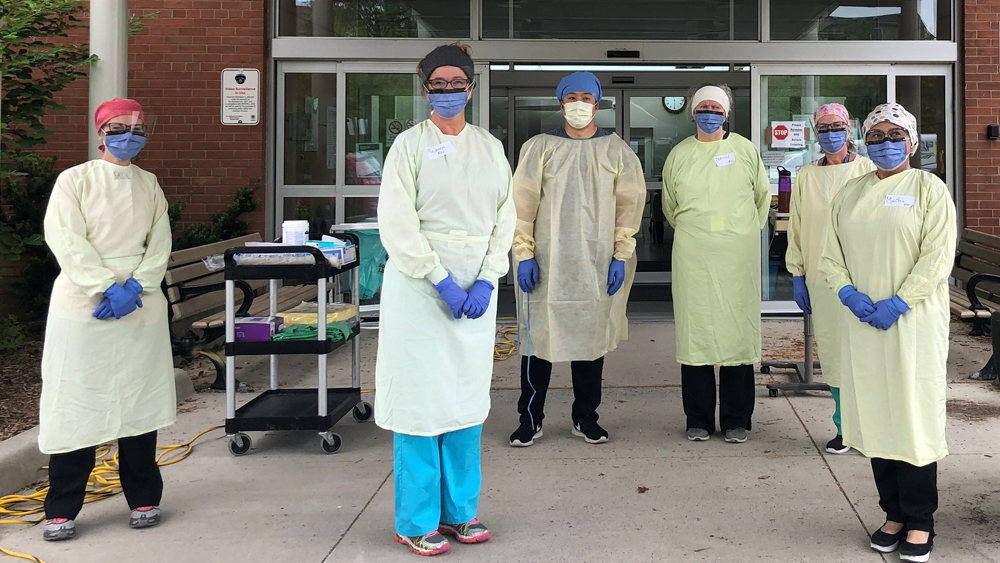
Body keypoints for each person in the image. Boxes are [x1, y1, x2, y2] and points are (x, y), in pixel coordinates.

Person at [374, 42, 515, 557]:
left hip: (475, 293)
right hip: (420, 292)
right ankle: (414, 519)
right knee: (419, 404)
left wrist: (485, 278)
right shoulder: (408, 147)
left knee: (463, 401)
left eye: (459, 83)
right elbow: (397, 222)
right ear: (425, 87)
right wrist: (440, 278)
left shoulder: (490, 147)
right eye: (440, 84)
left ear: (472, 88)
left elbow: (506, 217)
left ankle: (461, 513)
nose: (450, 92)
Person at [821, 103, 955, 562]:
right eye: (875, 136)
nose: (885, 143)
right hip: (864, 324)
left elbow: (938, 256)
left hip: (913, 324)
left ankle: (920, 520)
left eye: (894, 134)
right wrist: (846, 293)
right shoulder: (851, 192)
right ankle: (892, 513)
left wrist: (901, 301)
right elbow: (829, 253)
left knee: (911, 417)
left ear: (912, 141)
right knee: (878, 416)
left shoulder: (929, 189)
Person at [39, 98, 174, 541]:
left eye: (136, 127)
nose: (129, 135)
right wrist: (103, 285)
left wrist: (136, 285)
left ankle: (143, 497)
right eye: (119, 127)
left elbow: (160, 242)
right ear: (101, 132)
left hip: (139, 303)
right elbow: (66, 238)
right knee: (78, 401)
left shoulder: (149, 183)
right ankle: (62, 507)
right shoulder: (74, 181)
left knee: (138, 403)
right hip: (84, 304)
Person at [509, 71, 645, 447]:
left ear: (597, 104)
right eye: (572, 98)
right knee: (540, 343)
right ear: (561, 103)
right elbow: (522, 205)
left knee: (590, 343)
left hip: (597, 261)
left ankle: (586, 417)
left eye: (586, 98)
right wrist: (523, 252)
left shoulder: (617, 151)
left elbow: (628, 207)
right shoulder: (539, 147)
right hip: (548, 263)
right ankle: (530, 418)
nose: (579, 105)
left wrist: (621, 253)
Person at [661, 84, 770, 444]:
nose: (710, 112)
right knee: (697, 336)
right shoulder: (679, 154)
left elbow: (761, 198)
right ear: (693, 112)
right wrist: (700, 232)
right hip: (693, 257)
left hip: (737, 258)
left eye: (716, 107)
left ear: (726, 113)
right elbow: (671, 206)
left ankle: (738, 419)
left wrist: (739, 233)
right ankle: (699, 418)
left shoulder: (744, 150)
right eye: (703, 107)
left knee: (737, 334)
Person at [785, 104, 875, 455]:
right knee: (835, 355)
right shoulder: (806, 175)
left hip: (862, 277)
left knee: (866, 354)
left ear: (849, 129)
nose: (831, 133)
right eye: (824, 128)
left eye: (837, 126)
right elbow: (797, 226)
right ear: (814, 132)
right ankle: (844, 428)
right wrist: (797, 273)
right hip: (822, 282)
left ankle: (870, 428)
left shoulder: (868, 169)